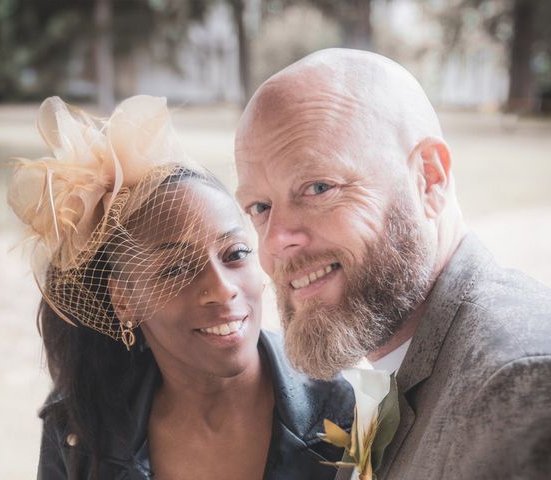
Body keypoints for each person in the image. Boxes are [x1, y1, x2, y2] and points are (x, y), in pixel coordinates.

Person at [234, 48, 551, 480]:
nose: (275, 242)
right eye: (260, 206)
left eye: (319, 187)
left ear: (429, 179)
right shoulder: (388, 365)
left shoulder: (523, 387)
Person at [8, 95, 354, 480]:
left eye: (236, 253)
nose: (221, 290)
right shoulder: (79, 432)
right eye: (176, 270)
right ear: (123, 300)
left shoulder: (345, 411)